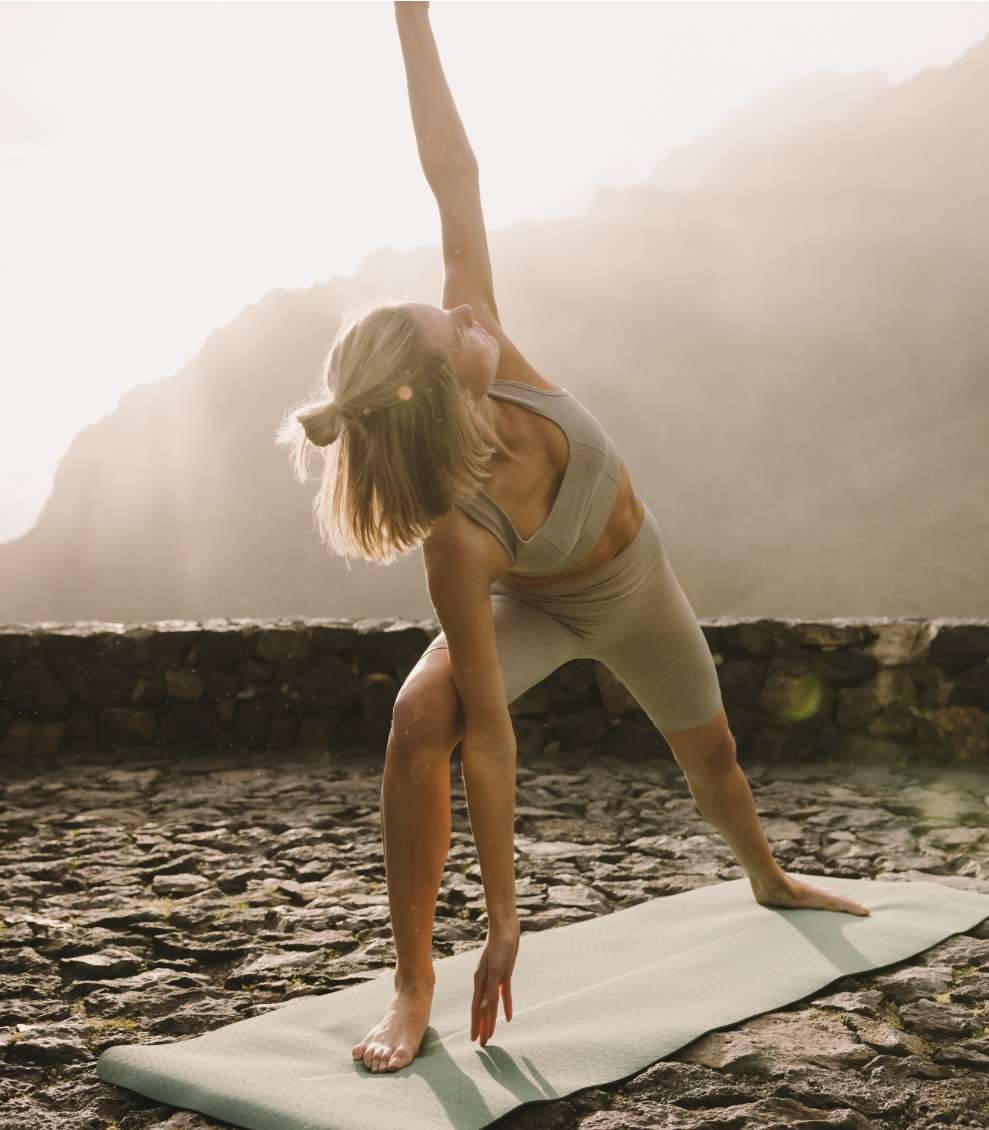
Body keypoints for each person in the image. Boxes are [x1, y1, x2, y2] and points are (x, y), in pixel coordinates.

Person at [281, 2, 867, 1075]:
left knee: (718, 758)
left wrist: (410, 18)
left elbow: (452, 169)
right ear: (428, 389)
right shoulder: (459, 538)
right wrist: (507, 915)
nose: (466, 312)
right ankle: (412, 982)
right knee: (423, 713)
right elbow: (492, 739)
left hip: (634, 586)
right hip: (536, 602)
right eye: (446, 323)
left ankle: (770, 876)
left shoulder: (486, 341)